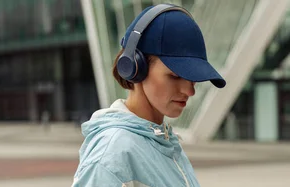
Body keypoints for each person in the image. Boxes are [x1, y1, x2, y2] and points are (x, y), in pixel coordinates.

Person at [72, 4, 225, 187]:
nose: (189, 91)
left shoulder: (165, 144)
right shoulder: (113, 154)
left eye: (193, 79)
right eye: (175, 76)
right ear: (135, 67)